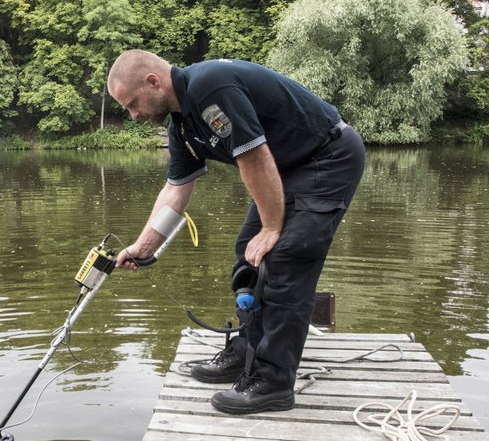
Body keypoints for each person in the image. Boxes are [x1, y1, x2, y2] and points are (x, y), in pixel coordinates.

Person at [107, 49, 365, 414]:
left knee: (287, 258)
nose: (133, 115)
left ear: (153, 82)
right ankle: (247, 350)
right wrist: (144, 245)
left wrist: (274, 227)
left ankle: (273, 383)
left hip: (327, 157)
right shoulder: (182, 122)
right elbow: (177, 187)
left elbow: (255, 156)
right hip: (286, 167)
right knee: (248, 252)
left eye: (132, 104)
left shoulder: (210, 86)